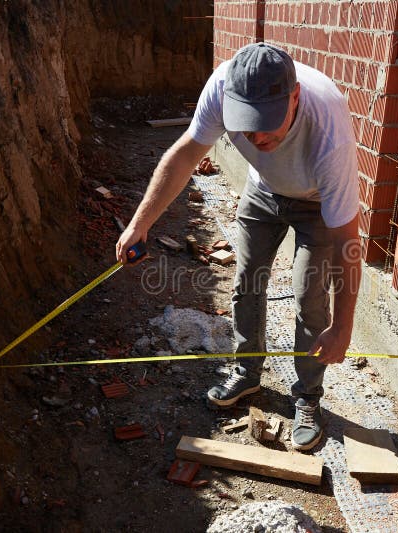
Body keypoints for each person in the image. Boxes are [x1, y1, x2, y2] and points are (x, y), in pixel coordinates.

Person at [116, 43, 360, 451]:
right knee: (247, 280)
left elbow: (346, 242)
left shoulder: (328, 134)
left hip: (315, 204)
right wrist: (140, 224)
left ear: (294, 96)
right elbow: (183, 157)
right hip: (262, 190)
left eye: (267, 124)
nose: (258, 136)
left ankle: (307, 398)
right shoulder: (221, 89)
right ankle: (247, 373)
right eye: (247, 125)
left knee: (309, 296)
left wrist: (345, 327)